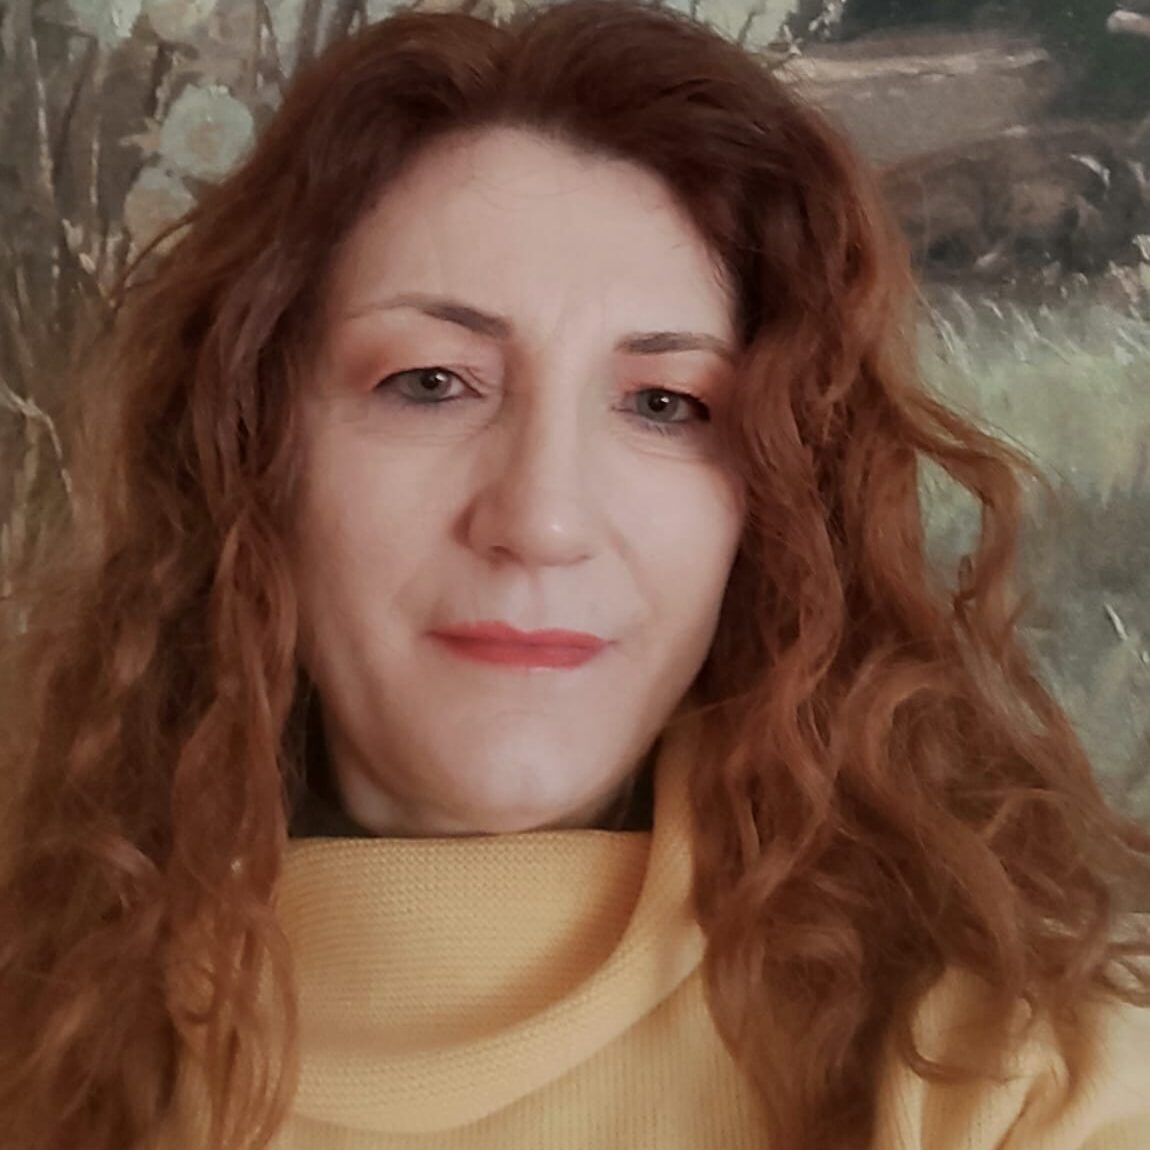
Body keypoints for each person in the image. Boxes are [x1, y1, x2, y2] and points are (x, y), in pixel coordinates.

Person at [0, 2, 1148, 1148]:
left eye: (664, 404)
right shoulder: (38, 1031)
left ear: (775, 507)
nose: (541, 521)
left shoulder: (1018, 1079)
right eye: (431, 382)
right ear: (252, 452)